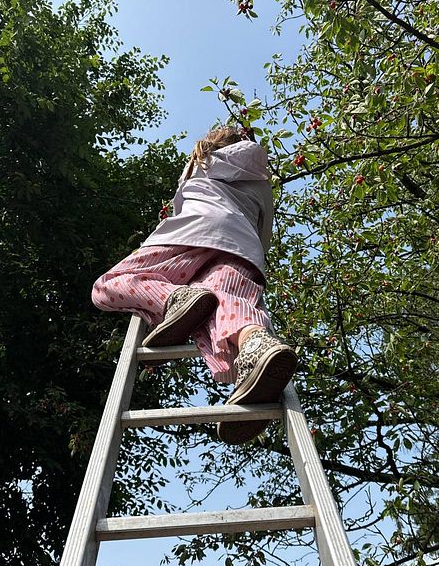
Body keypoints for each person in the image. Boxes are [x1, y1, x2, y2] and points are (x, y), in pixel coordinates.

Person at [91, 125, 297, 444]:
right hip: (244, 245)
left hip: (191, 233)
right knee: (229, 299)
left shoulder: (200, 162)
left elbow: (182, 206)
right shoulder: (261, 179)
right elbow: (264, 230)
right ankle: (256, 345)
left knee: (107, 285)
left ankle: (174, 297)